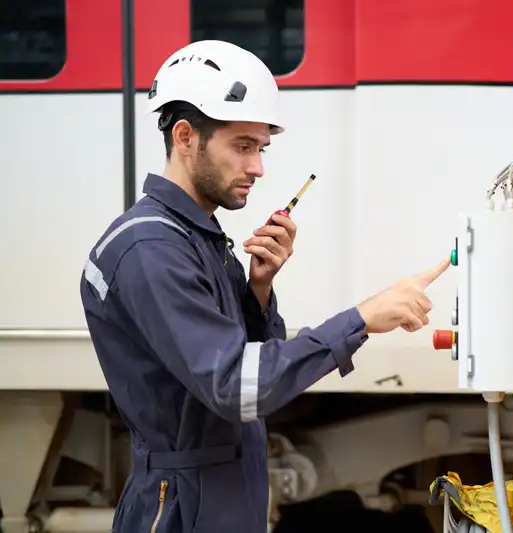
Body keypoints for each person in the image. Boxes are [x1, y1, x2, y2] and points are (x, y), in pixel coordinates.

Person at [79, 40, 449, 533]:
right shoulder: (150, 248)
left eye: (261, 148)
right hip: (183, 510)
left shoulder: (199, 239)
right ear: (186, 136)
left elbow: (261, 374)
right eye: (243, 146)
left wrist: (258, 290)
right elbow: (236, 388)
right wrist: (360, 318)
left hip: (220, 498)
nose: (258, 167)